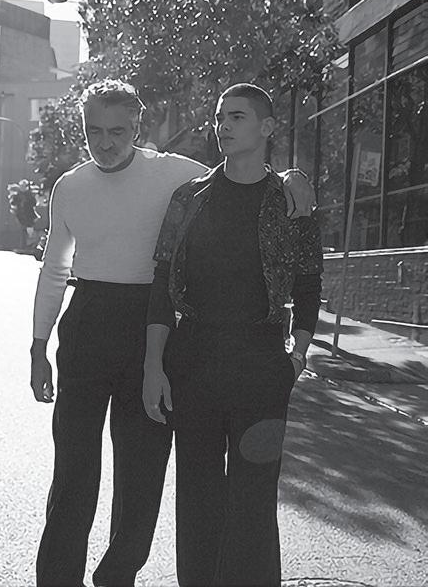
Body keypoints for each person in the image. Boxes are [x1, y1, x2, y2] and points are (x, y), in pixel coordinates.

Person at [30, 78, 313, 587]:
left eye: (117, 132)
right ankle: (57, 578)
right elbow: (54, 269)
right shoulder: (70, 186)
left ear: (137, 128)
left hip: (151, 327)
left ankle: (116, 575)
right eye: (94, 132)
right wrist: (37, 345)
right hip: (88, 323)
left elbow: (243, 174)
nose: (104, 143)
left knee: (141, 477)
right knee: (73, 469)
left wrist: (294, 177)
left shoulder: (177, 175)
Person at [143, 83, 323, 587]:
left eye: (237, 117)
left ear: (267, 128)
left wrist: (297, 354)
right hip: (194, 359)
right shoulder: (189, 198)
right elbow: (162, 280)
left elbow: (310, 282)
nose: (223, 125)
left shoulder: (290, 201)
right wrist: (154, 365)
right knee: (197, 496)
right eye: (220, 117)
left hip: (261, 364)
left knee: (254, 501)